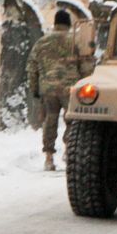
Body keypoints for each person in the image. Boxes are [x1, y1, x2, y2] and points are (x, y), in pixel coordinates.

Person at [26, 9, 95, 171]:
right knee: (72, 121)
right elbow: (86, 67)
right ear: (69, 24)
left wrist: (34, 89)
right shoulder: (76, 41)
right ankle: (69, 151)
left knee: (50, 121)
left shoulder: (41, 42)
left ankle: (49, 158)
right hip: (70, 89)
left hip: (47, 89)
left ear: (55, 23)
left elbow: (32, 68)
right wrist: (87, 87)